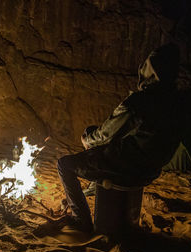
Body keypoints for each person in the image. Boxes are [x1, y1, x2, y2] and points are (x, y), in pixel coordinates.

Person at [58, 43, 182, 232]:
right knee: (104, 152)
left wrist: (87, 140)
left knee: (65, 164)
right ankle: (90, 190)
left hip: (127, 167)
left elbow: (106, 134)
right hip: (150, 170)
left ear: (147, 70)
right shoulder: (175, 103)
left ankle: (80, 220)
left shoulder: (141, 101)